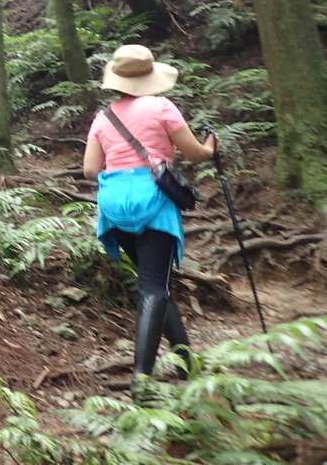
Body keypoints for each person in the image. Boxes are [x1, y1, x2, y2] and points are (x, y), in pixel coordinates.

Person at [82, 44, 217, 400]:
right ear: (149, 76)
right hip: (153, 202)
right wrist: (211, 145)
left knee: (154, 284)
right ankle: (141, 380)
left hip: (116, 207)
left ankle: (188, 362)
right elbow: (196, 154)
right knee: (154, 288)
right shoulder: (161, 107)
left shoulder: (103, 117)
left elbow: (91, 169)